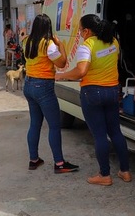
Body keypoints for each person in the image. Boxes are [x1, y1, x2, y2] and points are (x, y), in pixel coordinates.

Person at [57, 14, 131, 186]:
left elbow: (81, 71)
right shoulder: (114, 42)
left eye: (80, 30)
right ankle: (125, 172)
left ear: (87, 31)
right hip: (112, 91)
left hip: (93, 93)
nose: (80, 33)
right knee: (116, 132)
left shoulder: (87, 45)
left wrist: (62, 75)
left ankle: (104, 175)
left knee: (99, 135)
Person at [23, 14, 79, 173]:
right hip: (44, 86)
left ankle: (33, 160)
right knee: (54, 126)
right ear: (48, 28)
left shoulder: (27, 41)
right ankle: (60, 163)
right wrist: (60, 45)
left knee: (35, 124)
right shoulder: (48, 44)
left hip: (28, 84)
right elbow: (62, 63)